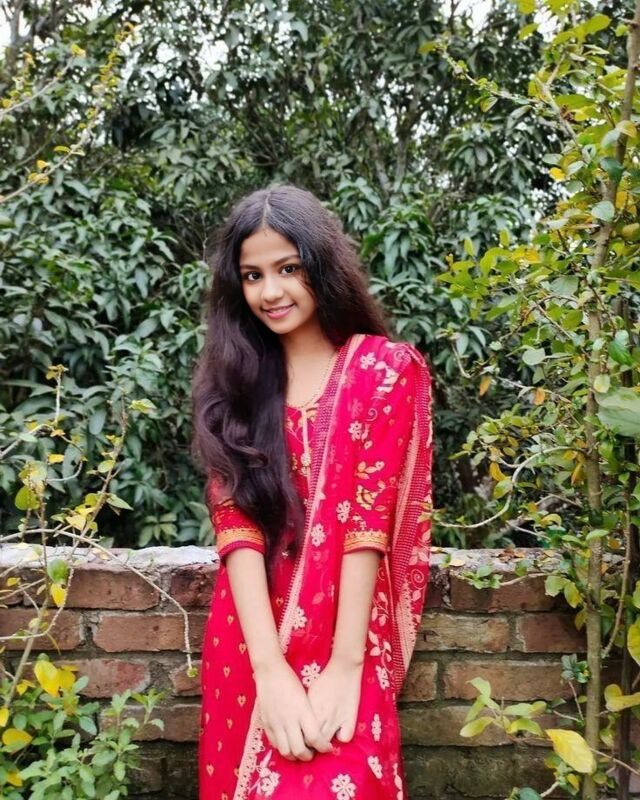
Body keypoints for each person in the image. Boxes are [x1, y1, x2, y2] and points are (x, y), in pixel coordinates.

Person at [191, 184, 433, 800]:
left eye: (288, 268)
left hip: (347, 635)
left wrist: (345, 666)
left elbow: (369, 525)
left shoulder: (384, 371)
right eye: (252, 275)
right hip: (250, 637)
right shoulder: (235, 383)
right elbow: (236, 527)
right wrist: (269, 672)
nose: (270, 291)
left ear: (320, 266)